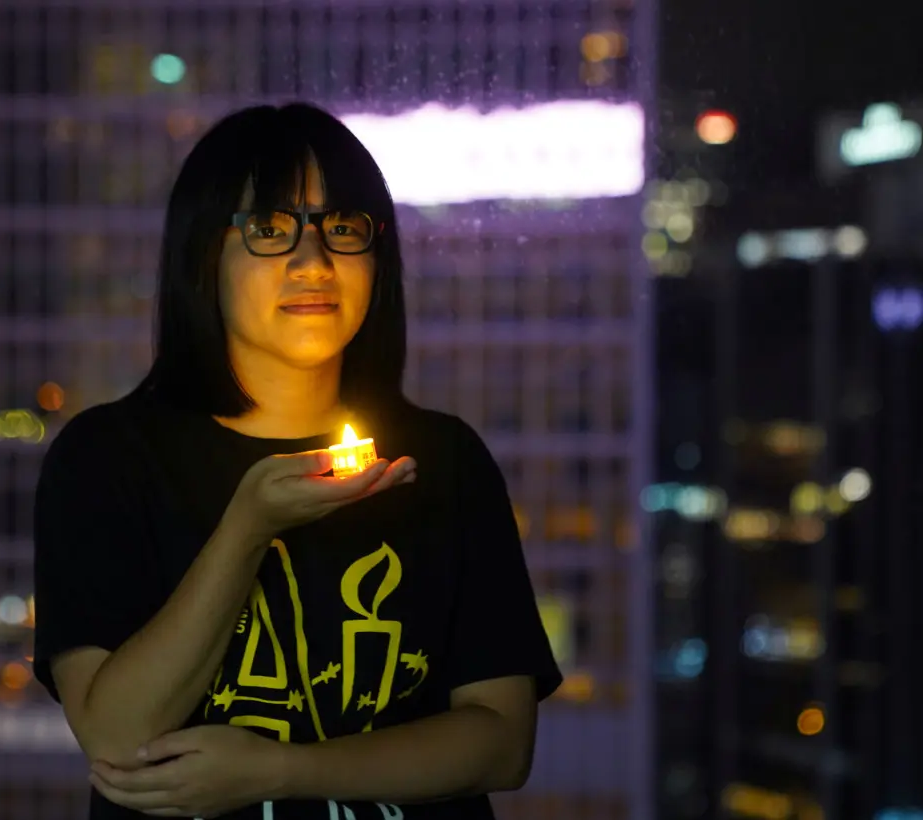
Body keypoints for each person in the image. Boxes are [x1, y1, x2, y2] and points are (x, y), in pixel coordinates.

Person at [33, 102, 562, 820]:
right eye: (270, 229)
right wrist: (248, 525)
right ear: (201, 257)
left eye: (342, 229)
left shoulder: (444, 460)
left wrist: (282, 771)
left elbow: (503, 744)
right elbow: (117, 737)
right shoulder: (109, 459)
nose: (313, 263)